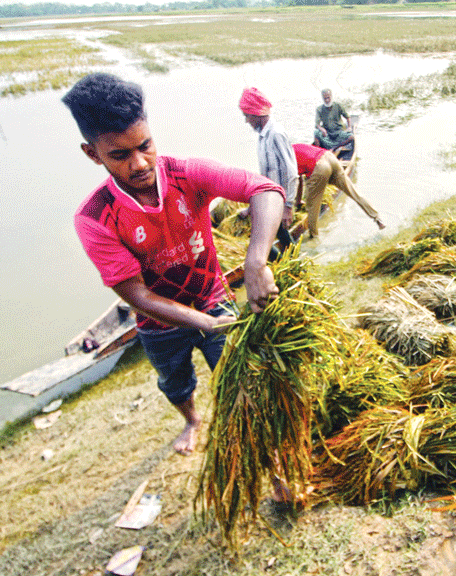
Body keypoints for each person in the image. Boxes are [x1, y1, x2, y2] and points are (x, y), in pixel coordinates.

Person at [64, 72, 284, 455]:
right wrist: (204, 323)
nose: (139, 164)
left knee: (241, 375)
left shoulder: (185, 174)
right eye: (120, 155)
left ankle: (261, 448)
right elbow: (135, 293)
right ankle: (192, 420)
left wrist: (254, 263)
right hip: (157, 322)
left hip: (213, 296)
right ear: (91, 153)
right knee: (175, 382)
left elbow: (264, 189)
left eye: (145, 146)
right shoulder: (95, 217)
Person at [239, 87, 298, 252]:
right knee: (281, 236)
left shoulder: (276, 134)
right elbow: (265, 176)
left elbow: (291, 172)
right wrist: (251, 208)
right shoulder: (262, 136)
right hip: (271, 199)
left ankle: (293, 266)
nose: (247, 121)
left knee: (260, 243)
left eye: (247, 116)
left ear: (256, 113)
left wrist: (288, 206)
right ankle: (296, 266)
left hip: (280, 200)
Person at [292, 142, 385, 238]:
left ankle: (314, 237)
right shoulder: (295, 146)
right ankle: (378, 219)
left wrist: (297, 201)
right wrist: (299, 200)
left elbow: (297, 181)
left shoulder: (286, 158)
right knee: (353, 192)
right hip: (329, 157)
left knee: (312, 207)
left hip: (319, 167)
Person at [313, 88, 354, 153]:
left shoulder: (338, 105)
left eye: (328, 98)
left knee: (351, 137)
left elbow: (347, 117)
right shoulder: (319, 109)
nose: (327, 100)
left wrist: (349, 127)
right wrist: (322, 129)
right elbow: (317, 125)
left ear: (331, 96)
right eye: (325, 98)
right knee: (316, 133)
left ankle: (334, 148)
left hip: (339, 132)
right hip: (328, 134)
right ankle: (318, 152)